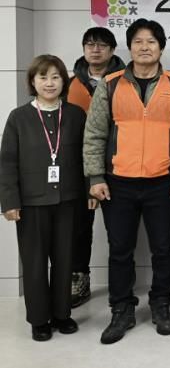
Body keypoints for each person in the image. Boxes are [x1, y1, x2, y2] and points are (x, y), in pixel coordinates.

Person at [84, 18, 170, 344]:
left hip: (163, 182)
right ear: (129, 47)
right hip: (118, 182)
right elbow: (94, 133)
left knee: (163, 249)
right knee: (120, 249)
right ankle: (121, 309)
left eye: (151, 42)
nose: (145, 47)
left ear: (161, 48)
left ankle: (161, 304)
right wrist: (95, 176)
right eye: (138, 42)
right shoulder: (110, 84)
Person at [0, 55, 87, 341]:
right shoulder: (18, 117)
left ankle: (62, 314)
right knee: (35, 262)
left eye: (55, 77)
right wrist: (9, 201)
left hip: (69, 200)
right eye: (43, 77)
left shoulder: (76, 115)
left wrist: (90, 191)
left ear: (64, 81)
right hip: (31, 202)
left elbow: (87, 156)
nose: (49, 83)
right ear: (32, 82)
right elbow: (7, 162)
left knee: (65, 259)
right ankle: (39, 319)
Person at [67, 27, 126, 308]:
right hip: (79, 165)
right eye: (90, 44)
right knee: (79, 226)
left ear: (112, 50)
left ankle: (123, 287)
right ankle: (79, 278)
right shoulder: (69, 83)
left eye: (102, 45)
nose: (95, 49)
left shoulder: (126, 80)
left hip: (119, 163)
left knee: (122, 231)